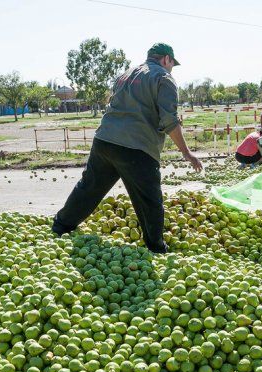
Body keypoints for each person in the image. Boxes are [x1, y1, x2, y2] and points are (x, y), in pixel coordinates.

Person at [52, 43, 203, 253]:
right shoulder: (164, 78)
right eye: (172, 64)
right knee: (148, 199)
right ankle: (156, 247)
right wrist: (187, 153)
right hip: (136, 148)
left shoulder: (125, 74)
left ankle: (60, 225)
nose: (171, 68)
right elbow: (169, 120)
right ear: (166, 59)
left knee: (89, 187)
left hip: (104, 141)